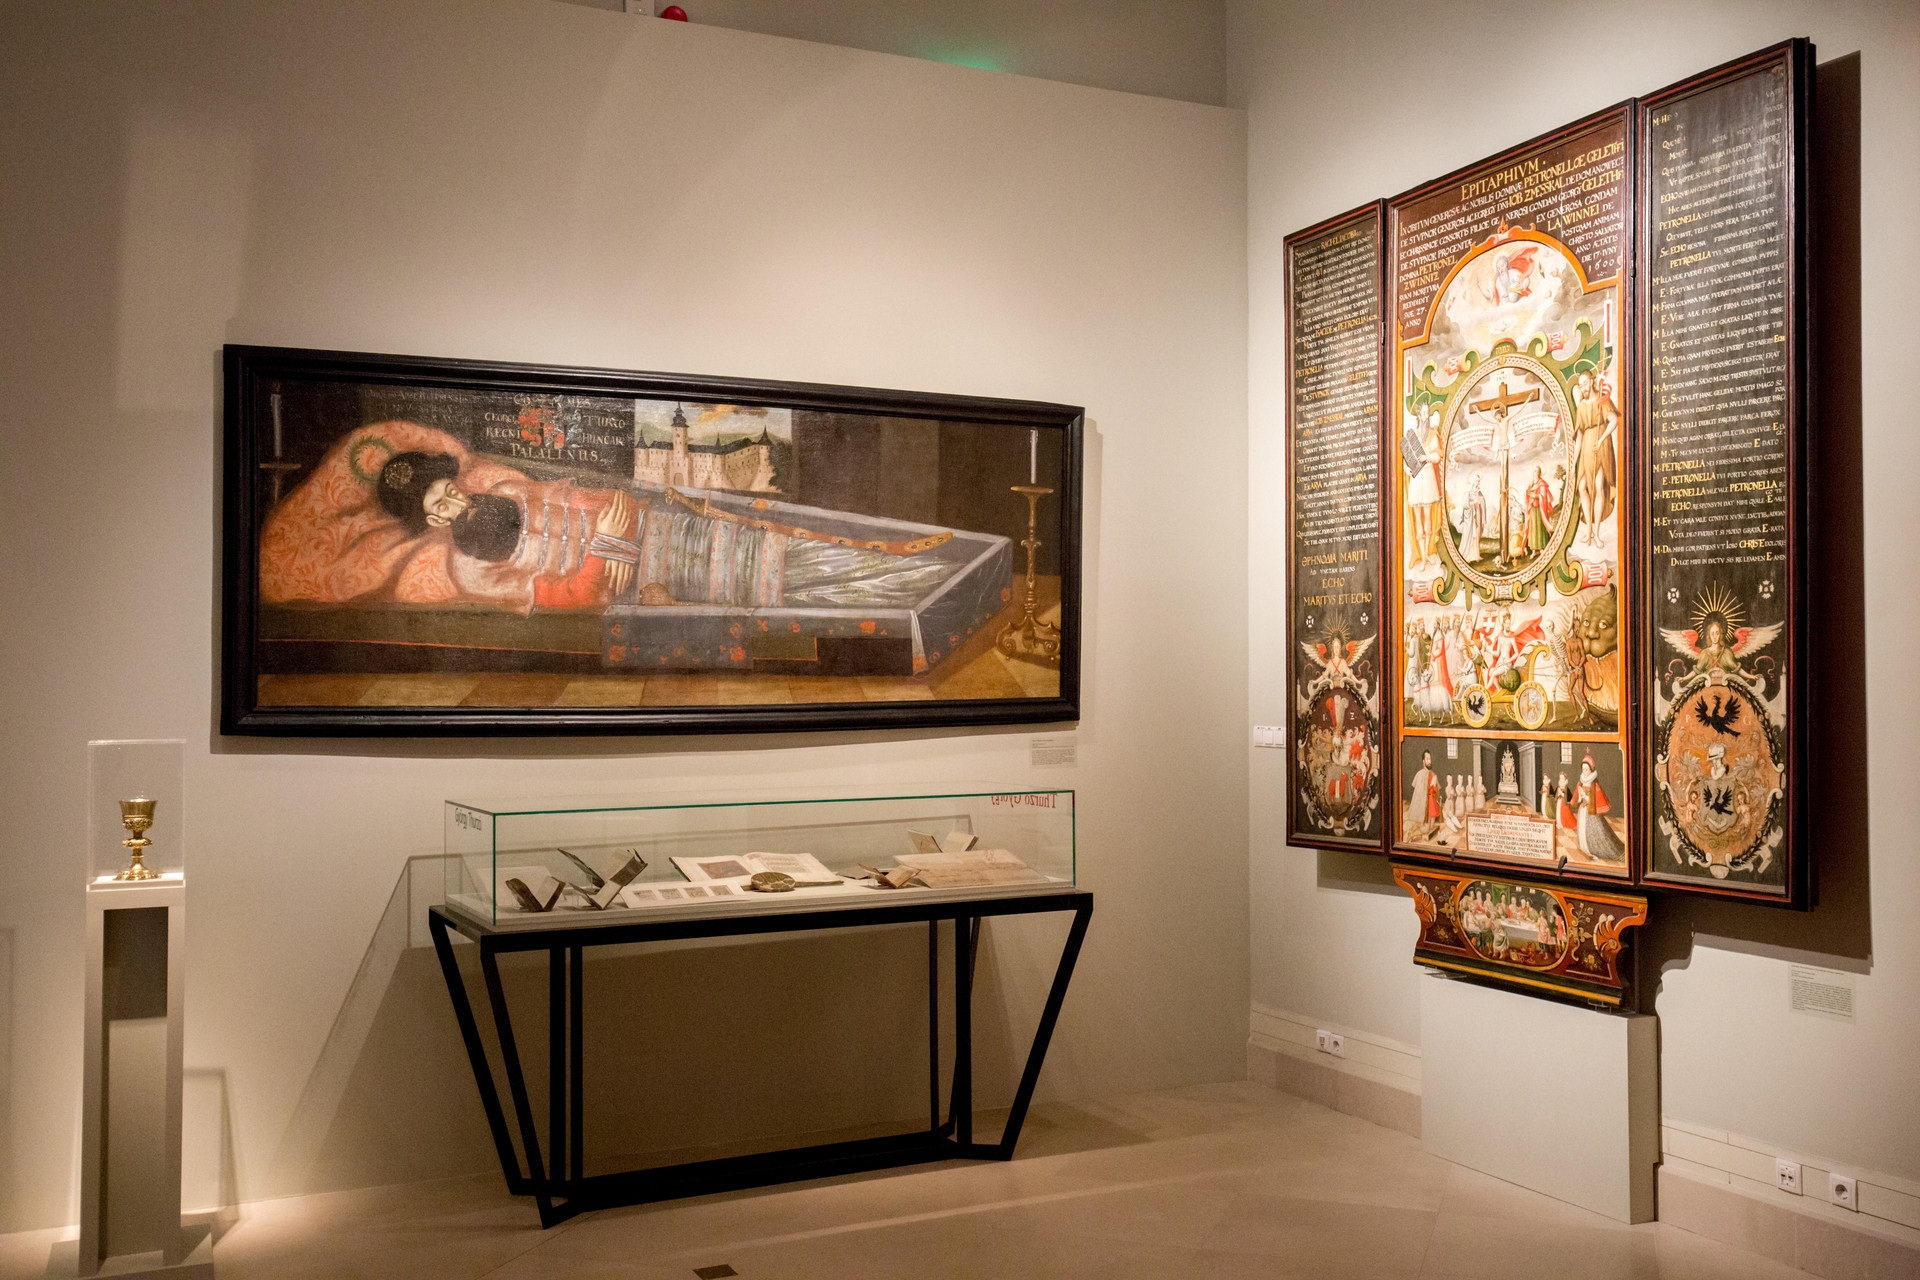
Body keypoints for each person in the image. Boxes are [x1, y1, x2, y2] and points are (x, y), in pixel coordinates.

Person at [374, 450, 639, 611]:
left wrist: (622, 541)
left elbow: (615, 499)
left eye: (451, 491)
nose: (458, 504)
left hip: (639, 528)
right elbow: (579, 595)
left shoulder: (508, 490)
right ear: (435, 521)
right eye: (442, 506)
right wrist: (608, 544)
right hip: (626, 590)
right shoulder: (469, 572)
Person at [1572, 368, 1619, 543]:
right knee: (1582, 487)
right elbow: (1579, 436)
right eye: (1580, 385)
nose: (1583, 388)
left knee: (1599, 486)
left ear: (1592, 381)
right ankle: (1589, 530)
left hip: (1600, 447)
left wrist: (1601, 440)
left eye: (1585, 383)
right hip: (1586, 448)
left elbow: (1614, 421)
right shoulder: (1581, 407)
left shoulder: (1602, 400)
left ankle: (1597, 533)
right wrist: (1574, 462)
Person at [1455, 475, 1486, 565]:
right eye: (1477, 481)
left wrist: (1480, 501)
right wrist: (1474, 502)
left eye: (1479, 481)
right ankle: (1468, 556)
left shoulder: (1479, 492)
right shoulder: (1468, 492)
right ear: (1473, 481)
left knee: (1477, 533)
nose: (1478, 483)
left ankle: (1477, 555)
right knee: (1471, 534)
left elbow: (1482, 502)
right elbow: (1465, 505)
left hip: (1478, 514)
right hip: (1471, 516)